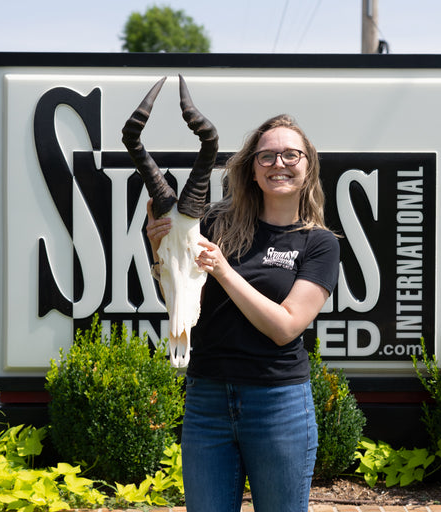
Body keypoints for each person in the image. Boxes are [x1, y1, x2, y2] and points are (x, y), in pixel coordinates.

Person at [146, 113, 340, 512]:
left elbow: (285, 327)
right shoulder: (215, 223)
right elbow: (179, 302)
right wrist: (160, 254)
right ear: (251, 170)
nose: (278, 164)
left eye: (291, 155)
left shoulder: (318, 244)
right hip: (208, 400)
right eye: (266, 157)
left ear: (308, 166)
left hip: (278, 404)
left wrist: (224, 270)